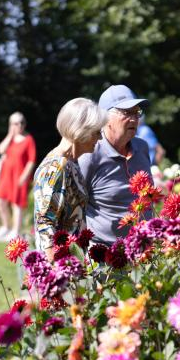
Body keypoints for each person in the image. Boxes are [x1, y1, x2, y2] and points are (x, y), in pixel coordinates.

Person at [79, 85, 154, 246]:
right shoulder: (90, 154)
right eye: (127, 112)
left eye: (137, 112)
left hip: (146, 252)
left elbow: (150, 197)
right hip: (107, 256)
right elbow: (74, 207)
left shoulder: (142, 148)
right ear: (105, 118)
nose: (134, 119)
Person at [33, 98, 106, 256]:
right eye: (96, 132)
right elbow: (45, 223)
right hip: (59, 269)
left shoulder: (71, 163)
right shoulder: (56, 166)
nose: (100, 139)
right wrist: (57, 272)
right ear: (81, 131)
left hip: (71, 263)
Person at [0, 112, 37, 239]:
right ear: (11, 124)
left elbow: (31, 160)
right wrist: (10, 135)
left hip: (19, 175)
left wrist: (24, 176)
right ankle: (5, 226)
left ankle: (15, 230)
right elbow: (0, 150)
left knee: (17, 203)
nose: (20, 125)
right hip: (6, 175)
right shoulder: (10, 139)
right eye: (16, 123)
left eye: (22, 122)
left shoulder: (29, 139)